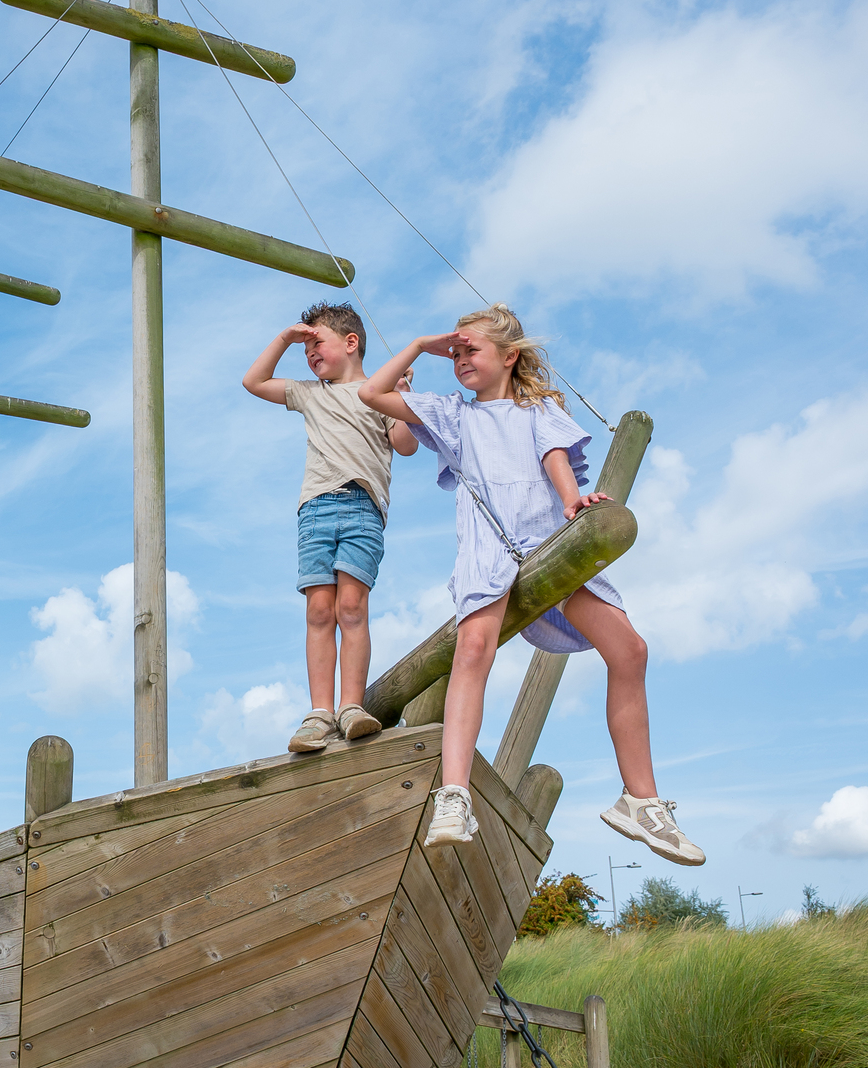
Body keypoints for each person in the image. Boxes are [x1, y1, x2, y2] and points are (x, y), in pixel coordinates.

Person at [357, 303, 704, 867]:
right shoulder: (452, 415)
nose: (460, 358)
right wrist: (422, 343)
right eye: (456, 350)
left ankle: (640, 801)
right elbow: (371, 395)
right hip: (488, 549)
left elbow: (554, 456)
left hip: (546, 541)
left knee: (630, 649)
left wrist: (573, 501)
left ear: (509, 356)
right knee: (473, 650)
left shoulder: (539, 409)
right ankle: (454, 793)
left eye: (471, 349)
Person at [244, 301, 419, 754]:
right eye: (305, 349)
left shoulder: (377, 394)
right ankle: (320, 712)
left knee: (351, 609)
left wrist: (402, 399)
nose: (310, 354)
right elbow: (254, 382)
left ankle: (351, 707)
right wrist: (286, 338)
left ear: (351, 342)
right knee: (319, 612)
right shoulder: (309, 393)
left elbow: (406, 446)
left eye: (316, 343)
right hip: (315, 510)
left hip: (363, 508)